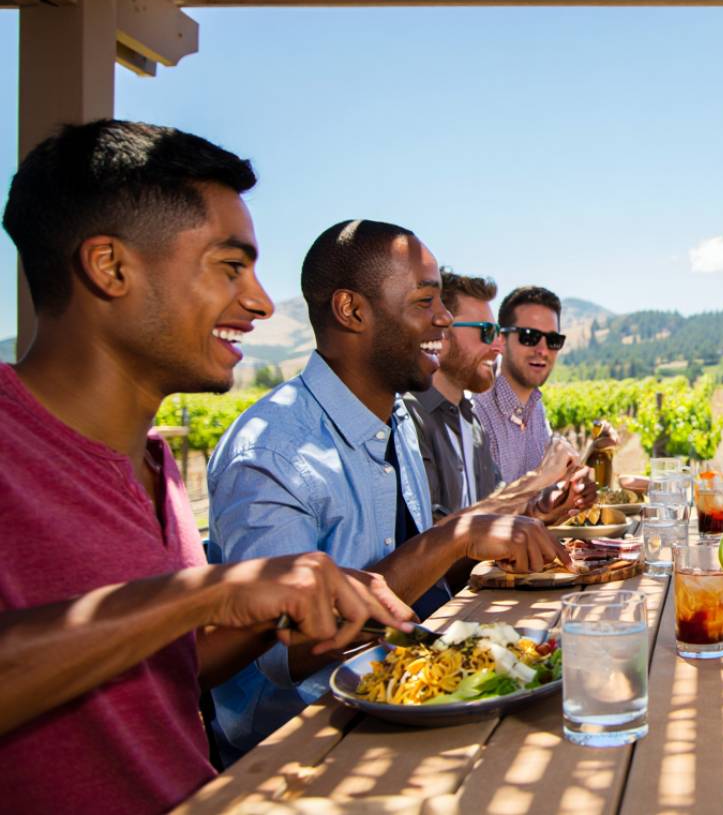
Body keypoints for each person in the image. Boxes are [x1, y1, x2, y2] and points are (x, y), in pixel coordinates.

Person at [0, 120, 411, 815]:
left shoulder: (153, 464)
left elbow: (157, 667)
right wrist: (207, 593)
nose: (256, 301)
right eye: (230, 266)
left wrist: (280, 604)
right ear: (110, 267)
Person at [207, 221, 576, 762]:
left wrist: (474, 541)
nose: (444, 319)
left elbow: (411, 584)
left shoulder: (397, 419)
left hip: (406, 699)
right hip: (305, 747)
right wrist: (454, 537)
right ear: (353, 312)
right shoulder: (273, 452)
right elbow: (292, 650)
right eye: (426, 301)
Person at [402, 268, 592, 533]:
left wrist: (543, 512)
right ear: (441, 332)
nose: (496, 347)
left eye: (553, 341)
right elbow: (429, 542)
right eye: (486, 332)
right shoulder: (408, 421)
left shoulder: (468, 421)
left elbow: (491, 513)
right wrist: (537, 480)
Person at [471, 285, 567, 483]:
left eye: (553, 340)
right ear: (501, 339)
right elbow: (482, 510)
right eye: (529, 336)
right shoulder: (477, 413)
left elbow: (541, 497)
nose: (543, 350)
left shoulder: (536, 408)